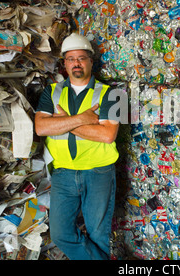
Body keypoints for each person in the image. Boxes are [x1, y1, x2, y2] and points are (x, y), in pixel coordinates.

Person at [35, 33, 120, 260]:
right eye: (71, 59)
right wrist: (83, 119)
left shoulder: (111, 93)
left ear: (91, 61)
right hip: (63, 173)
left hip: (99, 171)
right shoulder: (51, 92)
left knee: (98, 234)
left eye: (81, 58)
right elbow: (41, 128)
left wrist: (61, 124)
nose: (76, 63)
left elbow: (107, 135)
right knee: (61, 233)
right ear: (64, 64)